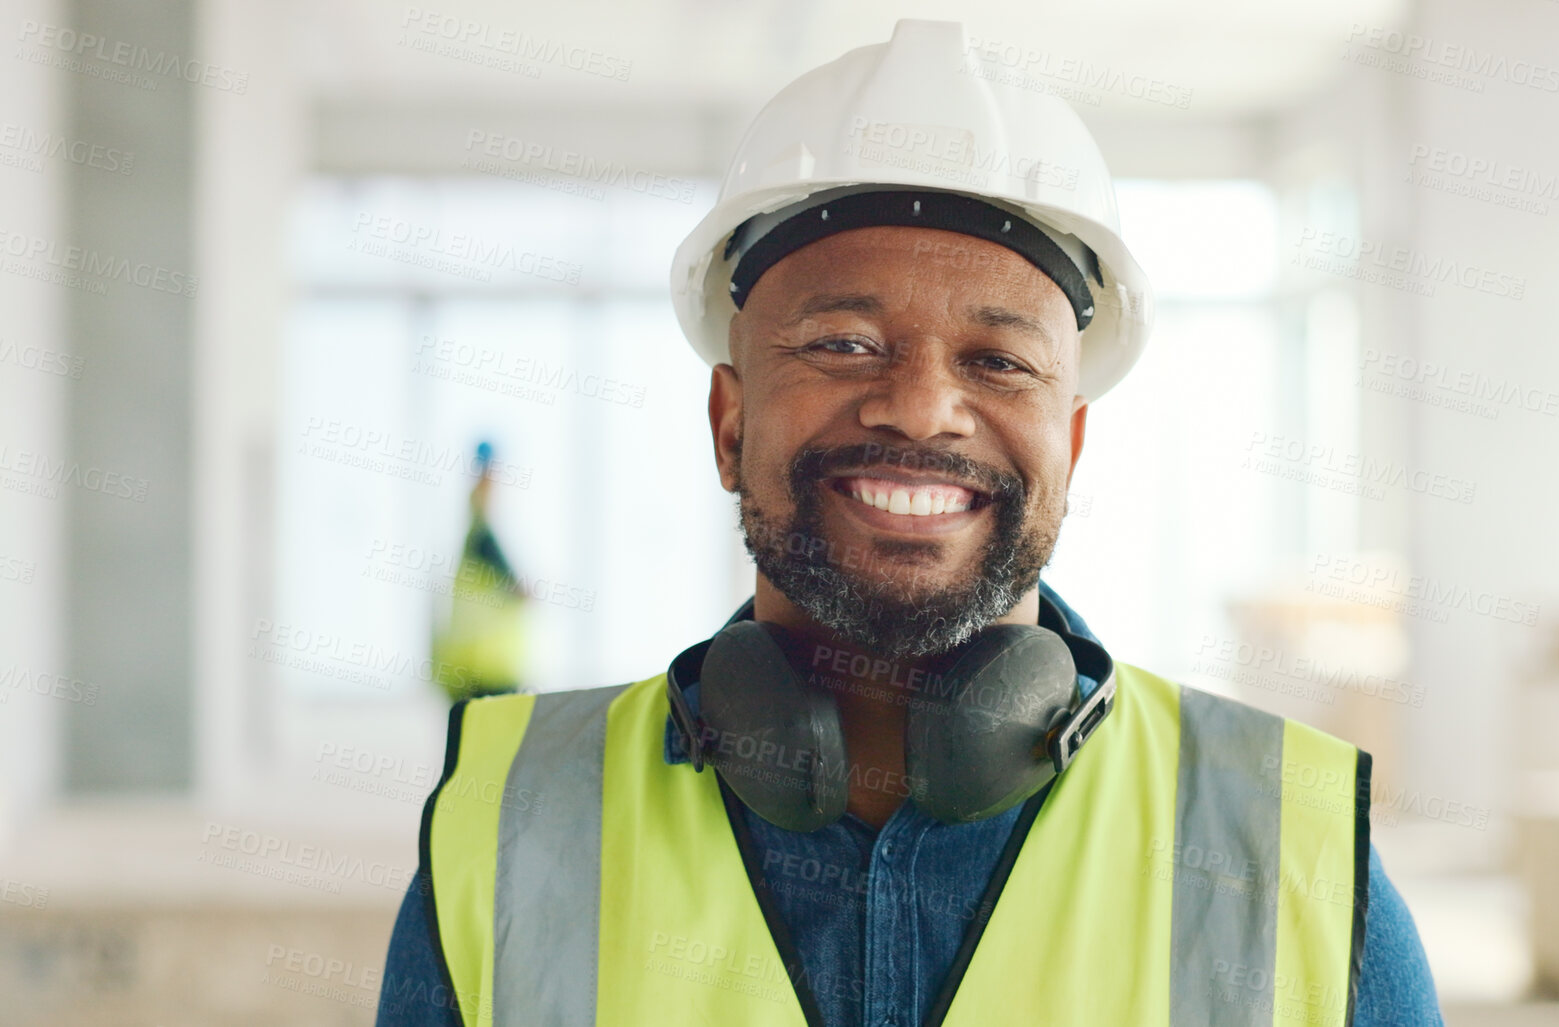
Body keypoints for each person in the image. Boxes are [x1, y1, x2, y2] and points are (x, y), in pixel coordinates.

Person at [377, 19, 1441, 1025]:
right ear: (729, 420)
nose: (923, 406)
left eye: (998, 361)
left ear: (1069, 449)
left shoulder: (1283, 849)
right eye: (843, 342)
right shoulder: (510, 830)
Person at [428, 441, 526, 702]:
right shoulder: (482, 538)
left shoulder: (475, 535)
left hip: (471, 666)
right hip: (486, 668)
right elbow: (520, 592)